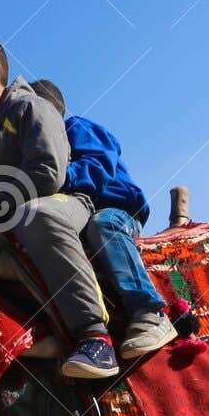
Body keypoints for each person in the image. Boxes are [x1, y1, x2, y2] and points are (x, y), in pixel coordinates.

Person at [0, 35, 119, 379]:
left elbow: (47, 174)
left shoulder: (31, 108)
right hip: (0, 220)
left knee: (37, 214)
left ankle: (94, 335)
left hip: (60, 204)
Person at [28, 79, 173, 357]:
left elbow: (98, 164)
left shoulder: (78, 129)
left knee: (103, 225)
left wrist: (54, 177)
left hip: (113, 209)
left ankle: (149, 311)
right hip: (70, 213)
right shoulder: (27, 150)